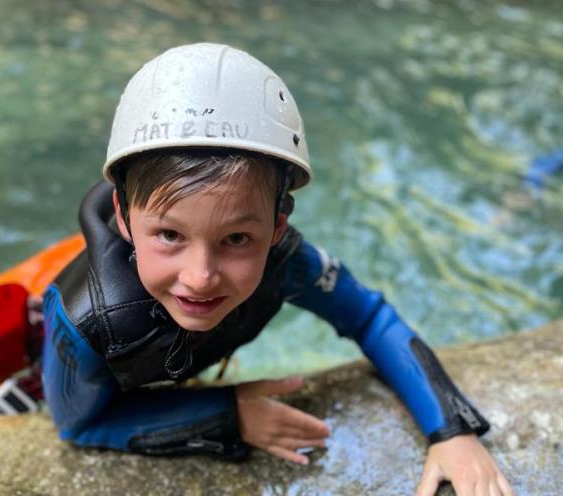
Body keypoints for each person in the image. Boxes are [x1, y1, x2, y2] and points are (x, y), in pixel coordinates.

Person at [41, 43, 514, 496]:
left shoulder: (287, 261)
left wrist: (451, 431)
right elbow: (77, 424)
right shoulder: (91, 320)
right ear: (123, 217)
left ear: (276, 227)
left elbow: (369, 317)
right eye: (169, 236)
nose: (200, 276)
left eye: (237, 239)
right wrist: (230, 416)